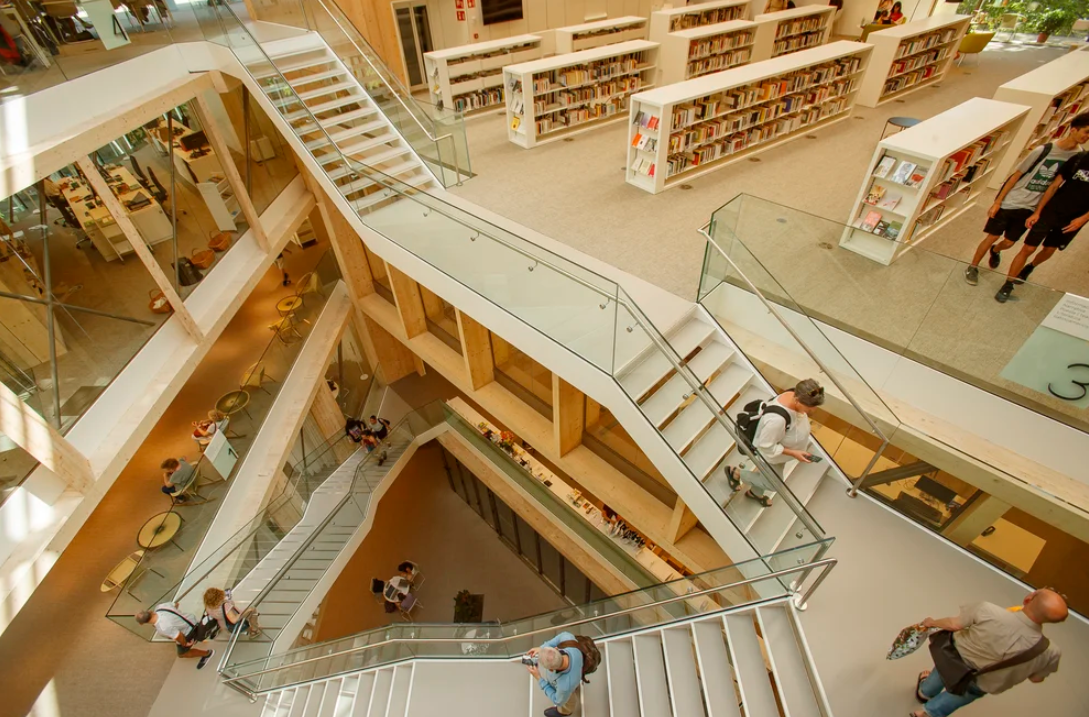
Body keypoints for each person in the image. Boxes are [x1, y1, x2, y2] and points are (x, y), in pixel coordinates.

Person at [966, 113, 1089, 287]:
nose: (1087, 137)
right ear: (1073, 129)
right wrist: (998, 201)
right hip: (1013, 200)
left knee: (1009, 242)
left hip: (1033, 208)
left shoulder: (1079, 157)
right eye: (1086, 131)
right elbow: (1016, 176)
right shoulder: (1044, 150)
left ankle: (996, 251)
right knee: (992, 236)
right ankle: (972, 267)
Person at [910, 589, 1067, 717]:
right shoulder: (1050, 652)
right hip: (982, 682)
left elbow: (954, 624)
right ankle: (928, 714)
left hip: (953, 659)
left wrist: (932, 622)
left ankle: (925, 692)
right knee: (957, 697)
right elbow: (1036, 678)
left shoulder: (987, 610)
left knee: (941, 672)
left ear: (1028, 599)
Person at [995, 149, 1089, 303]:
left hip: (1074, 219)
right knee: (1028, 248)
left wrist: (1082, 219)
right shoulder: (1079, 159)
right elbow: (1053, 186)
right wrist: (1038, 211)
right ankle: (1008, 284)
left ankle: (1030, 266)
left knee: (1049, 250)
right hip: (1052, 211)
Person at [725, 379, 824, 507]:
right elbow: (766, 446)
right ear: (797, 400)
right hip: (770, 455)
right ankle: (736, 473)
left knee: (766, 475)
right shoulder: (777, 421)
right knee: (772, 484)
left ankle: (755, 493)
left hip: (782, 452)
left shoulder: (795, 393)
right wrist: (793, 453)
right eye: (810, 406)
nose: (814, 409)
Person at [136, 603, 215, 669]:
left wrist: (185, 644)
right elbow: (176, 604)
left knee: (182, 654)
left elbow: (179, 635)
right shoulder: (160, 607)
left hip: (189, 630)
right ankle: (207, 630)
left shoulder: (162, 627)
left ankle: (207, 654)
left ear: (142, 624)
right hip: (191, 619)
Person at [526, 632, 584, 717]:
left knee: (566, 704)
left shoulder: (564, 686)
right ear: (556, 649)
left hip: (568, 688)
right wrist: (541, 648)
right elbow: (560, 637)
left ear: (551, 669)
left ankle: (564, 712)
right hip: (576, 674)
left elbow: (557, 701)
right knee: (572, 686)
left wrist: (539, 678)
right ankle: (575, 687)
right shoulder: (569, 641)